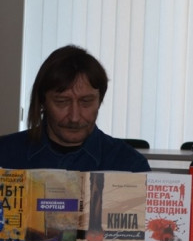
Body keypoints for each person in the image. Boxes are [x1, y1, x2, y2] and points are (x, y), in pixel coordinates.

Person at [0, 45, 150, 172]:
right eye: (62, 102)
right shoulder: (5, 155)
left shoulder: (130, 165)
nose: (74, 117)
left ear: (99, 101)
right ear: (42, 102)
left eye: (86, 102)